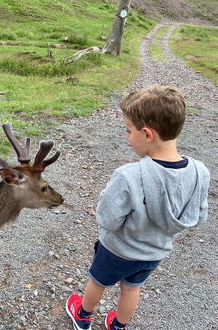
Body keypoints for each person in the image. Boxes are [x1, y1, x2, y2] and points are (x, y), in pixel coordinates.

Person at [65, 85, 210, 330]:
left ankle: (82, 315)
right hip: (154, 253)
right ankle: (118, 325)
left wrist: (104, 196)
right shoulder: (200, 172)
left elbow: (108, 219)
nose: (126, 136)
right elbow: (199, 216)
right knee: (132, 289)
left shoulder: (129, 176)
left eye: (128, 130)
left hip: (117, 251)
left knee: (97, 282)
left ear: (147, 134)